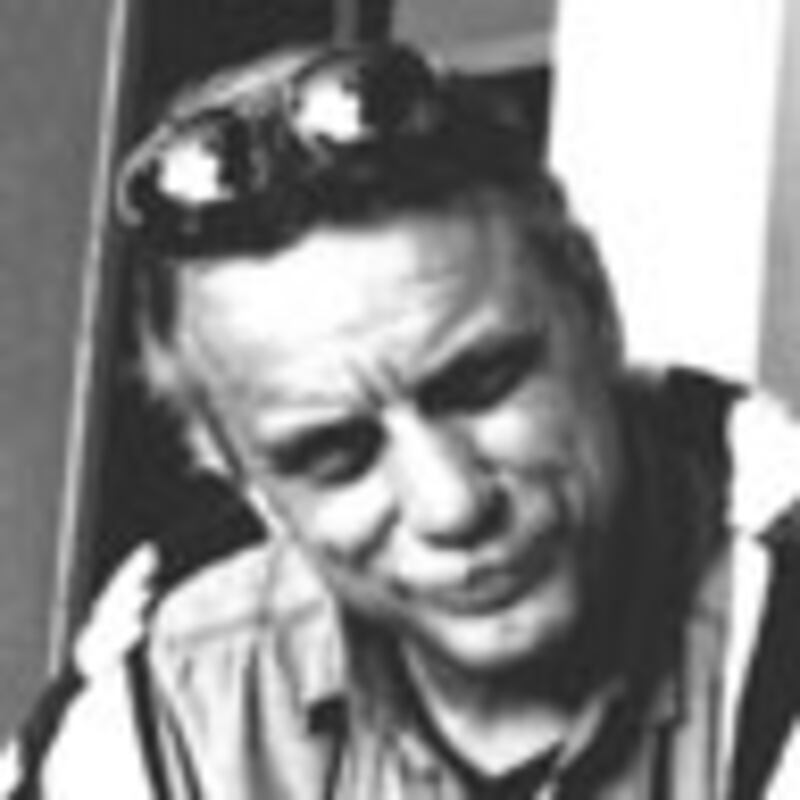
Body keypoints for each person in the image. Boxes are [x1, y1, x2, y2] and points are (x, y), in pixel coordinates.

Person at [37, 42, 800, 799]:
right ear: (245, 483)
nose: (452, 505)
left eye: (484, 384)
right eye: (336, 454)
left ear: (596, 311)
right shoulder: (166, 695)